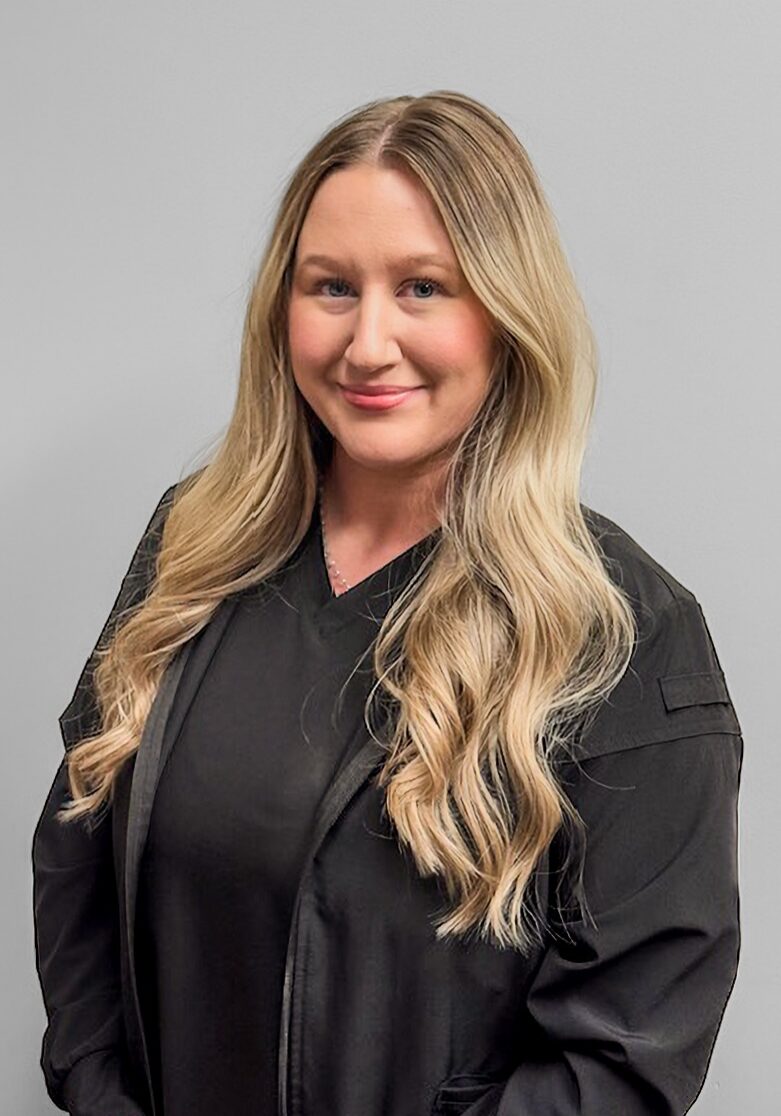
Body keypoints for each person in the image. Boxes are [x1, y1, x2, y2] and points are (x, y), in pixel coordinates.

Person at [32, 90, 743, 1116]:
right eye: (330, 287)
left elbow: (622, 1060)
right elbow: (77, 854)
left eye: (422, 287)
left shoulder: (624, 637)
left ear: (505, 312)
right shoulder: (192, 544)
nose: (367, 344)